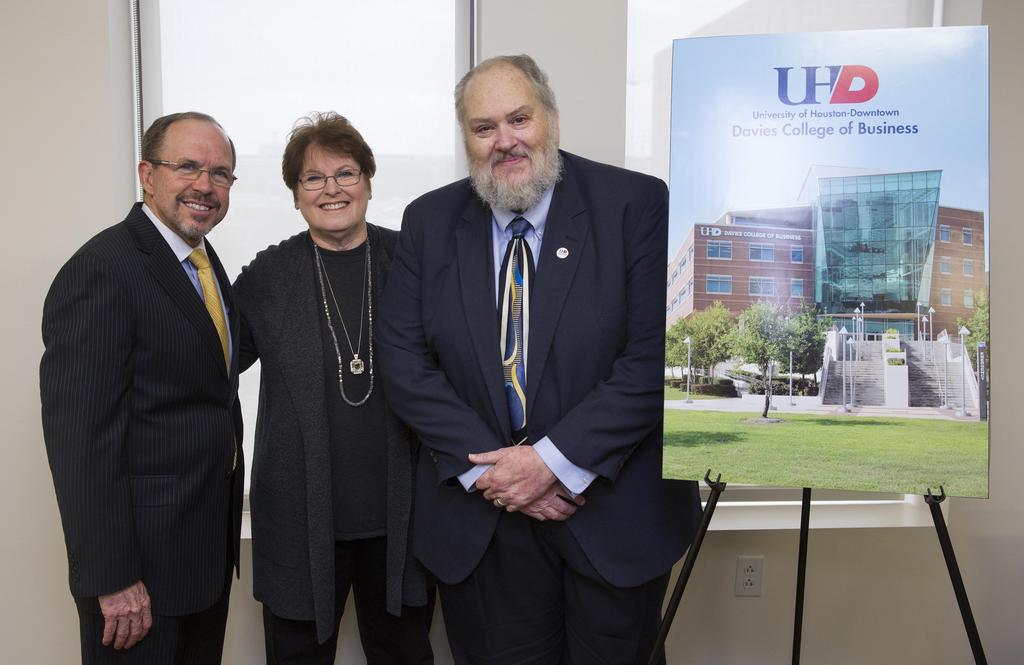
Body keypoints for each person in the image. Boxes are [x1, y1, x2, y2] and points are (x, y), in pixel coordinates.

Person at [377, 55, 701, 665]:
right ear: (467, 139)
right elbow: (404, 361)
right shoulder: (429, 220)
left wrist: (551, 463)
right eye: (483, 127)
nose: (505, 141)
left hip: (611, 518)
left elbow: (651, 359)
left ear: (550, 118)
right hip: (482, 525)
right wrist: (497, 474)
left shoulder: (633, 204)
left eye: (519, 118)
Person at [40, 112, 244, 665]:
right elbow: (80, 441)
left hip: (199, 559)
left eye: (221, 173)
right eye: (187, 167)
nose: (205, 185)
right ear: (146, 175)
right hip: (138, 577)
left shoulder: (198, 259)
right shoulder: (102, 271)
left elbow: (205, 372)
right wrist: (113, 578)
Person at [232, 112, 434, 665]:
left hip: (402, 520)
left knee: (405, 654)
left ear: (368, 182)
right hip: (297, 520)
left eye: (345, 173)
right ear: (295, 195)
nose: (331, 189)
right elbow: (209, 366)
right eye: (312, 178)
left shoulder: (412, 263)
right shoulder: (268, 277)